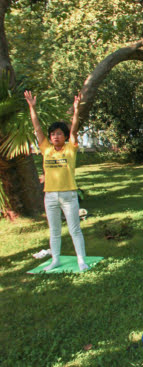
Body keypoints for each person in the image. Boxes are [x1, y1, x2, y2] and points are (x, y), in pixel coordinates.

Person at [24, 90, 89, 271]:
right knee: (54, 231)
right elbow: (37, 128)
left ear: (65, 136)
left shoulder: (70, 148)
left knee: (74, 229)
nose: (55, 136)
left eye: (59, 134)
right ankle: (56, 260)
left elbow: (75, 128)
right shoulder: (46, 149)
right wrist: (32, 108)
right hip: (50, 195)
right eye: (53, 134)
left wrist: (76, 110)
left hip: (68, 194)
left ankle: (81, 260)